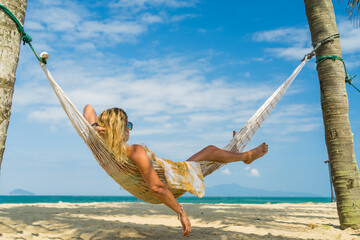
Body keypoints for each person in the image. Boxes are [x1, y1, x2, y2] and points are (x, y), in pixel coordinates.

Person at [83, 104, 268, 236]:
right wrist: (181, 213)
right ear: (121, 129)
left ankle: (235, 153)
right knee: (210, 151)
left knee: (210, 154)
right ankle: (245, 156)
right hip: (172, 179)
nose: (130, 130)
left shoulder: (96, 143)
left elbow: (88, 108)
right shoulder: (135, 151)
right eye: (128, 125)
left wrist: (94, 128)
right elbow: (157, 188)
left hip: (169, 172)